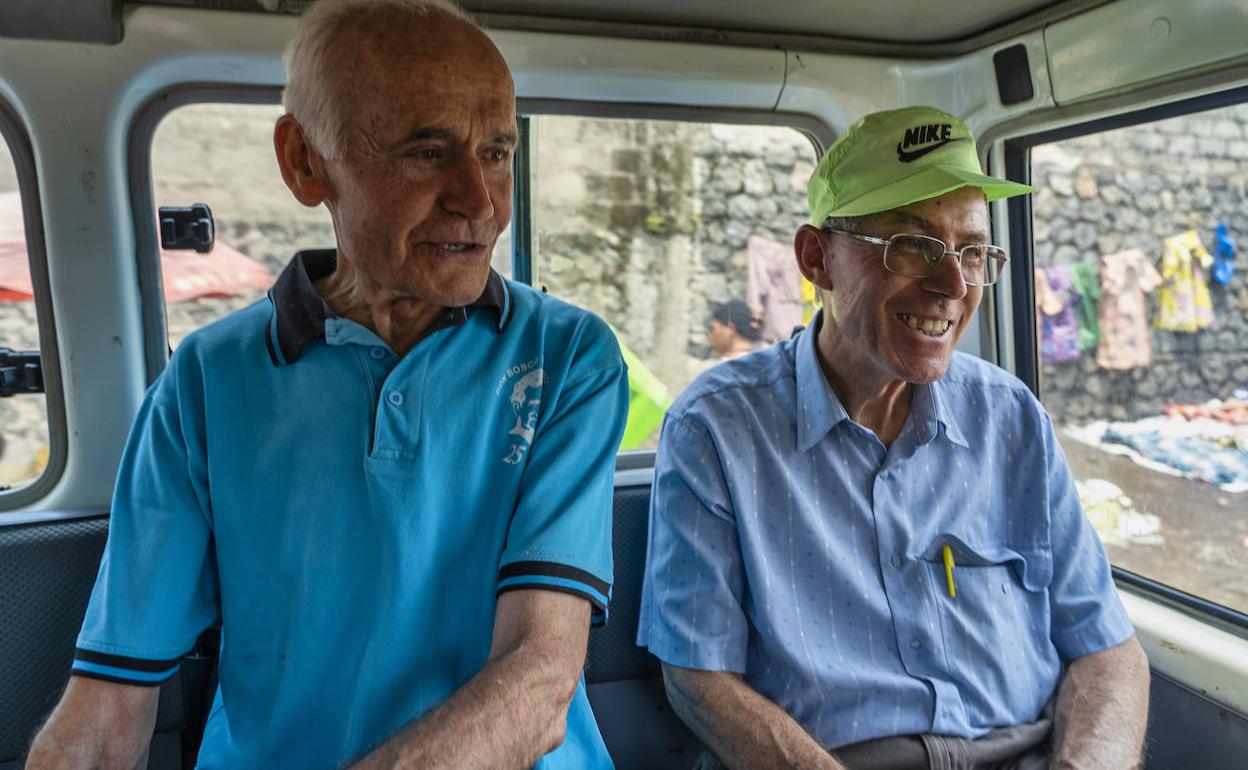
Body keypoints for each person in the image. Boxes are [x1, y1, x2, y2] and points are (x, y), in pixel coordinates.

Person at [27, 1, 627, 768]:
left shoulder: (567, 356)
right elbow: (109, 706)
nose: (480, 201)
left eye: (499, 152)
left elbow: (539, 677)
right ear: (306, 162)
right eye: (427, 151)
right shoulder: (206, 381)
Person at [638, 106, 1150, 770]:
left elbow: (1105, 647)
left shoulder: (1012, 419)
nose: (953, 286)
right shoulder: (717, 428)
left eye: (971, 252)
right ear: (816, 259)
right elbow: (698, 679)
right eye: (913, 247)